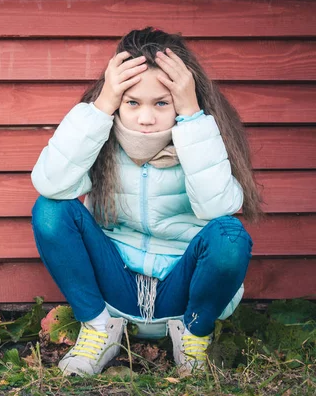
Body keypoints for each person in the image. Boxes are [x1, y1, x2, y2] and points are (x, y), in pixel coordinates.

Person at [30, 27, 263, 376]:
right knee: (49, 209)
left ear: (183, 101)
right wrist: (102, 105)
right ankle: (97, 330)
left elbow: (218, 211)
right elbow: (50, 183)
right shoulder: (102, 139)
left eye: (162, 103)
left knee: (230, 235)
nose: (146, 118)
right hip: (115, 288)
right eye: (132, 102)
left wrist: (192, 118)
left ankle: (194, 337)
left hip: (180, 295)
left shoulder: (203, 137)